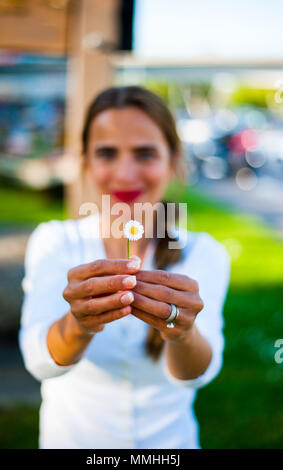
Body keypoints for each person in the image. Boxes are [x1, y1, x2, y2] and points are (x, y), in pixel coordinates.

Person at [18, 86, 231, 449]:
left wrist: (181, 332)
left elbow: (197, 374)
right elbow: (40, 361)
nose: (126, 172)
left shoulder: (204, 252)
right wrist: (78, 324)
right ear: (85, 162)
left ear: (173, 160)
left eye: (145, 153)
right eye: (107, 153)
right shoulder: (55, 243)